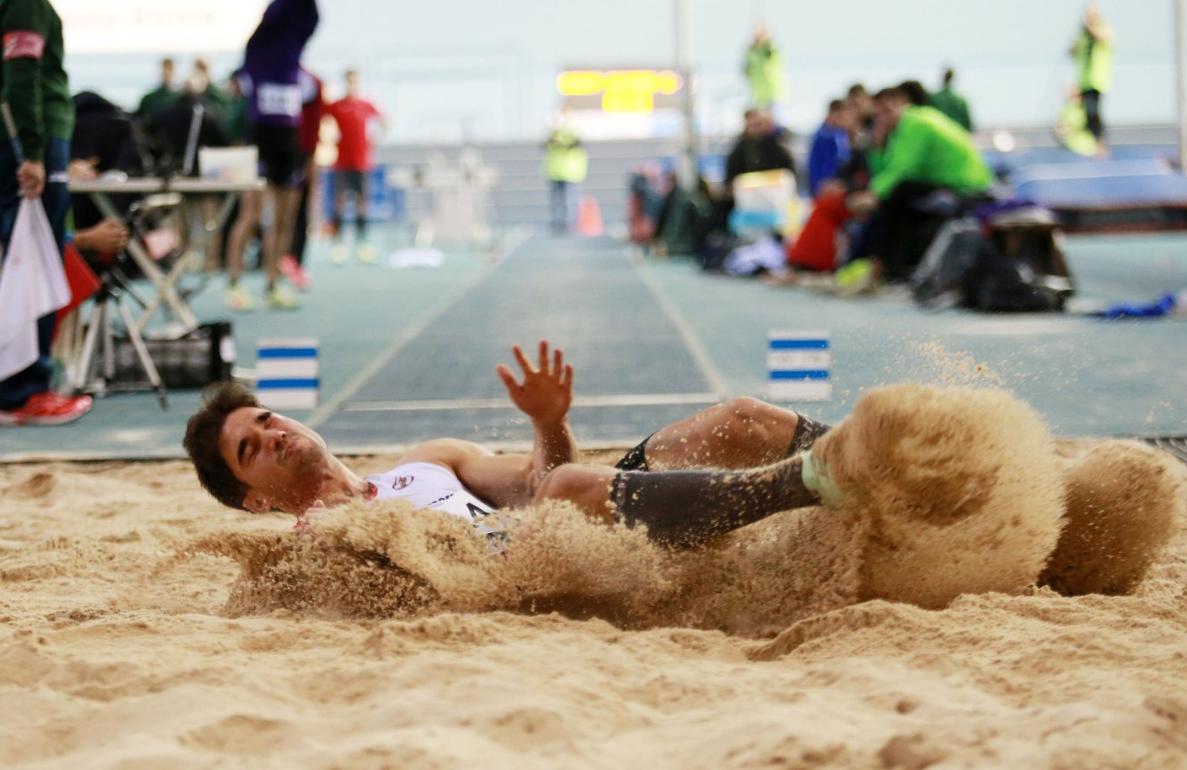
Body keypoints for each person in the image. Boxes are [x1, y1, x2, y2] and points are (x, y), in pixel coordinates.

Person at [184, 341, 842, 549]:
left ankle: (861, 455)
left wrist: (550, 423)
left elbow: (537, 482)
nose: (270, 434)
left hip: (571, 518)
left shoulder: (428, 458)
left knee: (738, 418)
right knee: (563, 492)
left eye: (265, 419)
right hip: (527, 566)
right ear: (253, 501)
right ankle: (807, 482)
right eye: (250, 450)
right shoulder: (315, 537)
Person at [0, 0, 92, 426]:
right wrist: (33, 151)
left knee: (19, 258)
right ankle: (25, 390)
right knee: (30, 260)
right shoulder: (27, 3)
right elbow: (22, 74)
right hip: (28, 143)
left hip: (20, 140)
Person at [839, 86, 993, 290]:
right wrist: (878, 142)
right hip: (946, 186)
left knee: (896, 196)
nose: (882, 117)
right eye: (879, 113)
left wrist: (872, 196)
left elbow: (903, 170)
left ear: (902, 103)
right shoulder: (902, 129)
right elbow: (885, 172)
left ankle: (873, 266)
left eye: (887, 110)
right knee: (895, 198)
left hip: (967, 188)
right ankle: (877, 267)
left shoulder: (917, 122)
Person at [223, 0, 319, 312]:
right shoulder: (257, 50)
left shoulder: (295, 52)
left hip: (288, 140)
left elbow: (310, 15)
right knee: (250, 214)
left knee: (285, 217)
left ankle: (273, 283)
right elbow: (278, 12)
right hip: (259, 136)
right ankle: (235, 284)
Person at [325, 69, 382, 264]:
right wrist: (327, 141)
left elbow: (384, 122)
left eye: (354, 81)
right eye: (348, 80)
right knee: (339, 201)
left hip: (361, 162)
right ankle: (338, 244)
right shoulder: (337, 106)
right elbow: (322, 120)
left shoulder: (365, 105)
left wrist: (374, 140)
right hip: (341, 162)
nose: (351, 84)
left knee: (361, 202)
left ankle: (362, 244)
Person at [280, 67, 324, 288]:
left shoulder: (312, 82)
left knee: (297, 212)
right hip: (278, 156)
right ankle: (279, 260)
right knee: (282, 213)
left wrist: (310, 160)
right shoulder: (273, 76)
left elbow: (314, 125)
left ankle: (294, 260)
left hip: (301, 156)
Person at [1069, 3, 1112, 153]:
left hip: (1097, 80)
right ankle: (1090, 143)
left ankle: (1100, 142)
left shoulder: (1102, 28)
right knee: (1085, 113)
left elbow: (1102, 37)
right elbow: (1073, 51)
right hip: (1084, 80)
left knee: (1094, 112)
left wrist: (1089, 27)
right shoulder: (1083, 35)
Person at [543, 118, 588, 235]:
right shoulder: (553, 134)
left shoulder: (573, 133)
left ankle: (571, 224)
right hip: (556, 172)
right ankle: (558, 223)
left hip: (571, 172)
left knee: (570, 200)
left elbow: (578, 143)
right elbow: (544, 145)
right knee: (557, 201)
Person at [806, 99, 852, 198]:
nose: (843, 119)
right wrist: (817, 187)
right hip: (823, 186)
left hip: (837, 185)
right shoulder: (822, 136)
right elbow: (814, 165)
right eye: (840, 116)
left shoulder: (843, 135)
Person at [743, 22, 787, 110]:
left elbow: (770, 53)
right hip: (758, 96)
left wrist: (765, 38)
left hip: (774, 95)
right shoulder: (753, 53)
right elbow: (747, 68)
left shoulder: (770, 49)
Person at [135, 58, 179, 133]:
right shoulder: (148, 99)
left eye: (170, 69)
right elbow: (138, 120)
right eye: (165, 68)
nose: (167, 72)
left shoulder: (181, 98)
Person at [929, 68, 973, 132]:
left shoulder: (934, 98)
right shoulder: (960, 100)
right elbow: (968, 123)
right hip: (956, 134)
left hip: (939, 133)